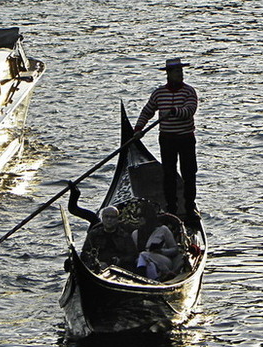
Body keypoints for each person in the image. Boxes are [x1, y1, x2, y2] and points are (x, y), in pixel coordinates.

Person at [134, 58, 199, 223]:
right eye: (177, 72)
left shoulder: (189, 92)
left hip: (186, 139)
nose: (180, 74)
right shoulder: (158, 93)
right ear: (169, 74)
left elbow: (189, 111)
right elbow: (147, 111)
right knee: (168, 174)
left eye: (181, 71)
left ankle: (190, 208)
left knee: (189, 173)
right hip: (167, 140)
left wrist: (174, 111)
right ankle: (171, 209)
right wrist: (138, 129)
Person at [66, 181, 137, 271]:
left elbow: (132, 255)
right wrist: (96, 262)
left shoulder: (124, 235)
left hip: (118, 269)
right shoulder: (94, 233)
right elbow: (85, 253)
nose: (109, 220)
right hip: (97, 267)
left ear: (117, 220)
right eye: (106, 217)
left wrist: (117, 261)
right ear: (102, 218)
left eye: (112, 217)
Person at [131, 207, 180, 280]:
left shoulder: (163, 230)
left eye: (142, 216)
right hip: (145, 262)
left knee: (143, 254)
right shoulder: (135, 234)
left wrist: (162, 251)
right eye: (137, 216)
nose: (139, 218)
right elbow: (135, 253)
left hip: (163, 260)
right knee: (148, 262)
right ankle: (155, 280)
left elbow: (175, 249)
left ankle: (140, 276)